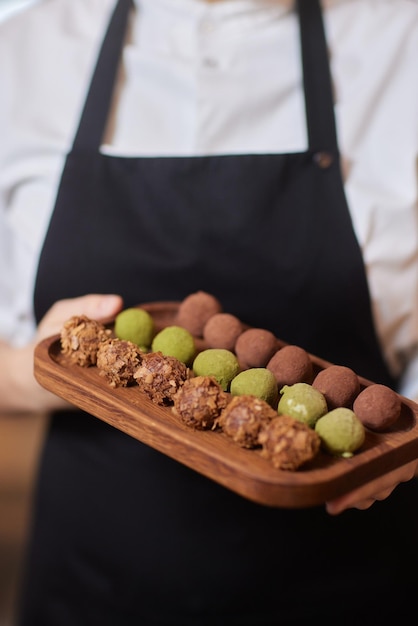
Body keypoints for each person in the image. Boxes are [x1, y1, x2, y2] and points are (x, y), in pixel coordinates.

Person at [1, 0, 417, 623]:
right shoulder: (26, 51)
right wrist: (58, 368)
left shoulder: (401, 42)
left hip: (348, 573)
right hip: (93, 580)